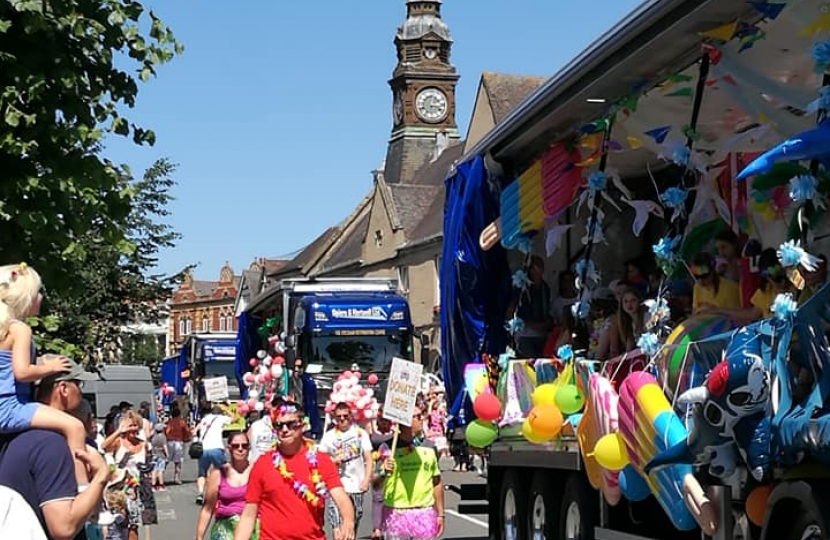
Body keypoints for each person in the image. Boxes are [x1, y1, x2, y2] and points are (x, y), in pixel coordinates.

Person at [0, 263, 90, 487]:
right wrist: (50, 368)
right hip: (10, 407)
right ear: (26, 297)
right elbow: (21, 372)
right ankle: (82, 488)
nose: (40, 297)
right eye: (38, 292)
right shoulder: (19, 329)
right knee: (75, 427)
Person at [0, 355, 108, 540]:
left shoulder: (12, 438)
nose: (81, 392)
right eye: (78, 384)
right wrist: (100, 477)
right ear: (63, 388)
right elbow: (63, 528)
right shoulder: (52, 444)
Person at [231, 399, 356, 540]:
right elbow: (249, 514)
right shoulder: (263, 464)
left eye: (290, 424)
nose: (284, 430)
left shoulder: (321, 460)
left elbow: (341, 496)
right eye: (279, 425)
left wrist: (348, 521)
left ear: (302, 425)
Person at [380, 406, 445, 540]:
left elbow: (436, 482)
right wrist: (383, 472)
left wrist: (440, 514)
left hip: (423, 513)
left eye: (422, 415)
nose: (422, 420)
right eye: (418, 417)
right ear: (404, 421)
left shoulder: (429, 446)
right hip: (396, 513)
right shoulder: (387, 448)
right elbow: (375, 484)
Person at [318, 403, 373, 536]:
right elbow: (319, 461)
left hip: (356, 486)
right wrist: (333, 462)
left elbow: (369, 459)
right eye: (339, 417)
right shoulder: (329, 436)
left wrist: (366, 480)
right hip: (336, 486)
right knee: (337, 527)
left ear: (351, 416)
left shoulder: (360, 433)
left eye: (345, 416)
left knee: (352, 526)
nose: (342, 419)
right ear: (334, 418)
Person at [195, 431, 259, 540]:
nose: (240, 449)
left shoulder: (258, 470)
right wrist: (199, 537)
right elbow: (207, 508)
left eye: (244, 446)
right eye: (235, 446)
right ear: (228, 448)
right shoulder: (218, 473)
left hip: (251, 526)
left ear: (249, 448)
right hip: (225, 527)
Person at [195, 406, 231, 504]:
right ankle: (223, 492)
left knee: (202, 473)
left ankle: (200, 493)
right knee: (224, 471)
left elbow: (197, 427)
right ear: (220, 412)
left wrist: (195, 432)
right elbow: (234, 419)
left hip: (203, 449)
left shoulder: (205, 418)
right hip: (216, 448)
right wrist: (227, 410)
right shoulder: (221, 418)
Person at [163, 406, 190, 485]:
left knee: (166, 461)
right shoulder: (181, 422)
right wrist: (187, 439)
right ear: (179, 414)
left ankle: (160, 476)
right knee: (178, 462)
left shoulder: (169, 422)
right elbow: (187, 432)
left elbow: (166, 432)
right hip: (178, 443)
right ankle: (176, 478)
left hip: (169, 442)